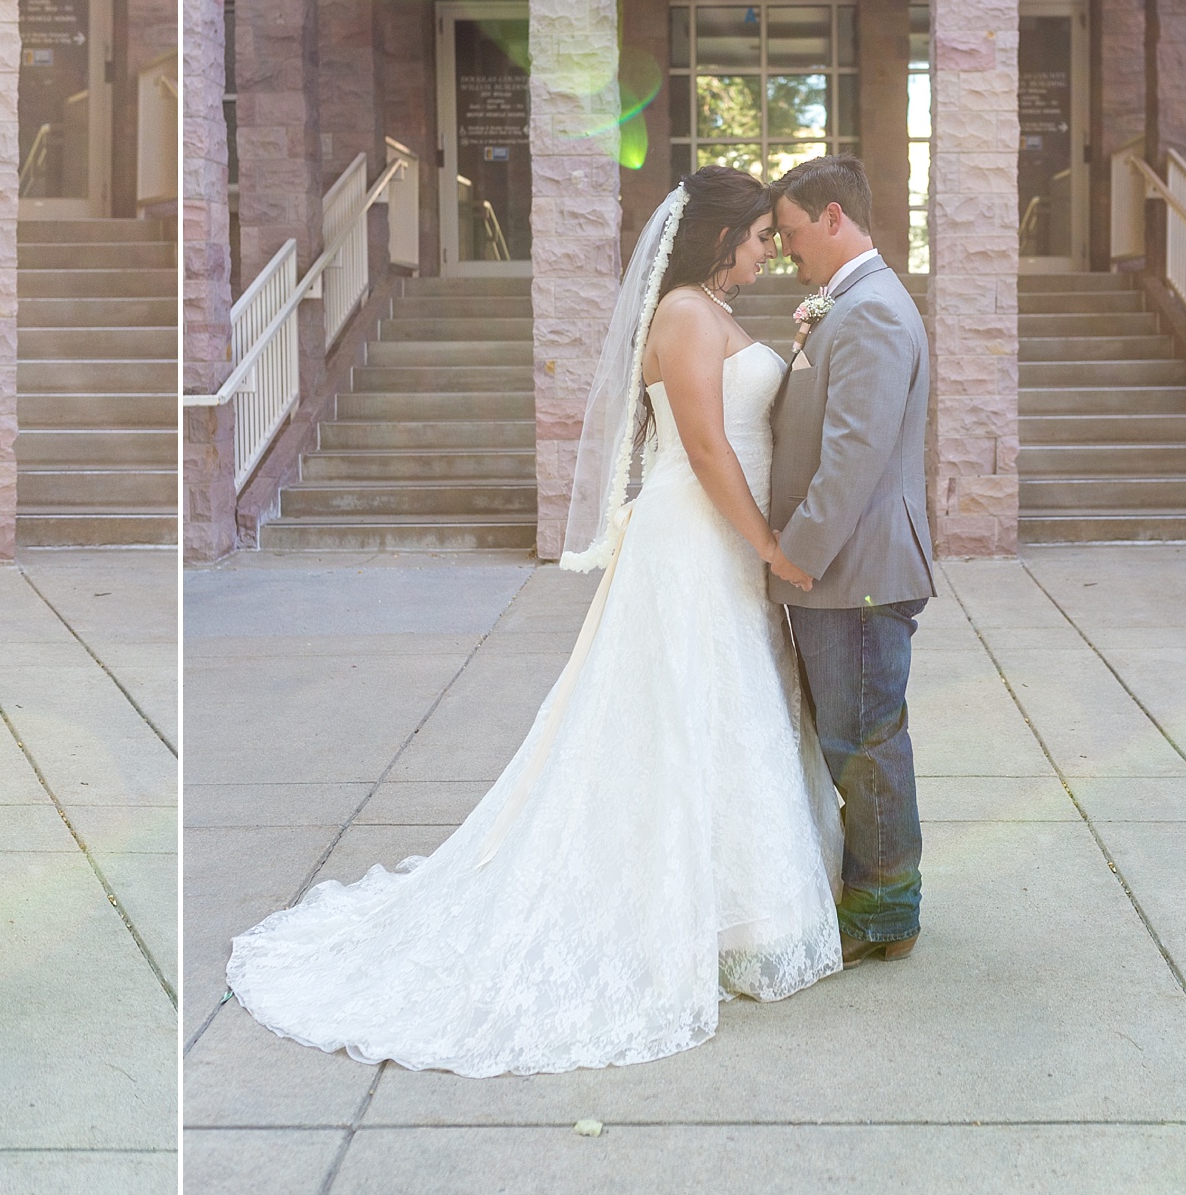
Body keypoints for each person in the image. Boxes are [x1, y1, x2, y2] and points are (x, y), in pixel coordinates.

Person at [226, 164, 845, 1077]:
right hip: (696, 537)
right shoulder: (680, 314)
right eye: (758, 237)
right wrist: (766, 544)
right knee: (680, 711)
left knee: (727, 711)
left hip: (722, 538)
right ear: (721, 236)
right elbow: (708, 447)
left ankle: (736, 907)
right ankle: (667, 909)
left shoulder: (712, 310)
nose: (767, 252)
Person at [767, 153, 933, 966]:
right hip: (847, 572)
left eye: (793, 232)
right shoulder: (853, 303)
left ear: (833, 217)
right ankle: (874, 893)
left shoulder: (869, 312)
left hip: (854, 573)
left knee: (865, 740)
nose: (787, 249)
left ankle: (885, 911)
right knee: (853, 735)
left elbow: (854, 456)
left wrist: (796, 555)